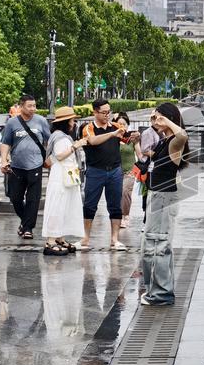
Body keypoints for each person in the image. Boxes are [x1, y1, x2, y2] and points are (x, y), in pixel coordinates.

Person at [139, 103, 189, 306]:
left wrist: (167, 120)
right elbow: (149, 160)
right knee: (151, 244)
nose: (155, 122)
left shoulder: (174, 142)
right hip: (155, 194)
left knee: (158, 244)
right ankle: (156, 290)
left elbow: (183, 136)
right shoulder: (163, 141)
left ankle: (161, 294)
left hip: (163, 198)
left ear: (169, 119)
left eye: (158, 118)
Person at [80, 99, 136, 250]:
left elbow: (126, 139)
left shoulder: (117, 126)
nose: (107, 115)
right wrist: (112, 134)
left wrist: (134, 137)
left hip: (115, 170)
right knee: (90, 205)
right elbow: (92, 140)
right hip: (95, 170)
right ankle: (85, 238)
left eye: (109, 112)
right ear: (95, 112)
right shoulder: (87, 127)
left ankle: (115, 239)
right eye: (104, 112)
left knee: (115, 206)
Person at [0, 95, 50, 240]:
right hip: (17, 166)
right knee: (15, 198)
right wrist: (3, 160)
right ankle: (25, 221)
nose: (33, 108)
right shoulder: (12, 123)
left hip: (36, 165)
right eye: (29, 106)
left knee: (33, 199)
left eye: (34, 105)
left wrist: (49, 158)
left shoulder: (41, 121)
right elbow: (5, 143)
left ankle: (28, 228)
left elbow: (49, 140)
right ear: (21, 106)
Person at [42, 106, 88, 256]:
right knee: (57, 206)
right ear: (66, 121)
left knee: (64, 206)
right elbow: (60, 156)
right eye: (72, 120)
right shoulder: (61, 137)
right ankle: (50, 240)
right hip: (61, 175)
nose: (74, 123)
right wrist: (76, 146)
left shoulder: (59, 135)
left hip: (66, 175)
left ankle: (59, 238)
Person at [114, 112, 140, 229]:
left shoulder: (132, 138)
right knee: (116, 194)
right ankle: (118, 216)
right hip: (115, 171)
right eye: (119, 124)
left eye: (124, 124)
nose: (122, 126)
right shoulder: (113, 137)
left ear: (128, 125)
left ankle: (126, 216)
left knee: (125, 193)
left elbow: (139, 154)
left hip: (130, 170)